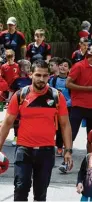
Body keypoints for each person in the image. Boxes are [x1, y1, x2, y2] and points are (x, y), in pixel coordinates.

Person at [0, 59, 73, 201]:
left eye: (45, 76)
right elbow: (7, 123)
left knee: (40, 194)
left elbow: (65, 125)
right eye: (38, 75)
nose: (42, 79)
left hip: (46, 151)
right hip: (24, 150)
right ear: (31, 75)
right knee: (21, 189)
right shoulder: (20, 95)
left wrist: (68, 151)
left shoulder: (57, 96)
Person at [66, 43, 92, 152]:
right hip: (78, 104)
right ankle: (66, 159)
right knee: (72, 133)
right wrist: (88, 89)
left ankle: (90, 160)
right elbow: (68, 84)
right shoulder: (78, 66)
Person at [51, 59, 72, 155]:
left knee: (63, 127)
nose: (63, 67)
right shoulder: (53, 79)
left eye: (65, 66)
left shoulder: (71, 80)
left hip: (67, 107)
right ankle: (57, 145)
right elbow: (49, 92)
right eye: (61, 65)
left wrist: (66, 104)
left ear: (69, 69)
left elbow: (74, 96)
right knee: (55, 127)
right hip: (54, 107)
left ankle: (62, 146)